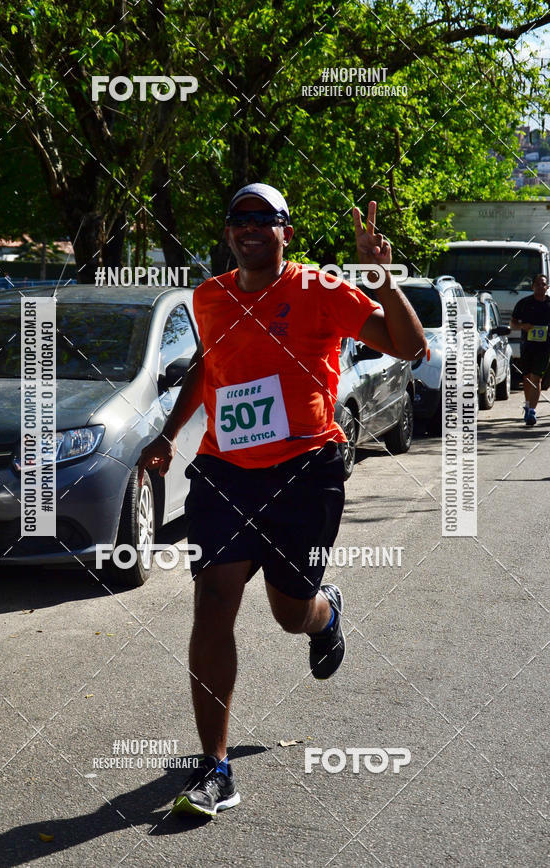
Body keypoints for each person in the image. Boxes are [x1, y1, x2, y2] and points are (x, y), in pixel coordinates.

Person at [138, 183, 426, 818]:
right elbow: (205, 368)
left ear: (285, 233)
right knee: (213, 602)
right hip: (224, 471)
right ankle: (215, 768)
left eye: (262, 220)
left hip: (305, 470)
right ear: (227, 233)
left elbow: (410, 347)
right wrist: (164, 434)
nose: (247, 230)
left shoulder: (320, 290)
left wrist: (382, 278)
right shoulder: (208, 297)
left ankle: (324, 614)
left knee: (289, 613)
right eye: (237, 219)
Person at [510, 274, 550, 427]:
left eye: (544, 284)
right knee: (527, 378)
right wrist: (522, 326)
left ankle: (532, 411)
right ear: (532, 286)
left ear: (547, 287)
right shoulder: (524, 303)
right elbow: (513, 323)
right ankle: (527, 405)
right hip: (527, 346)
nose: (541, 287)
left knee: (537, 378)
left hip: (545, 347)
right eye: (538, 284)